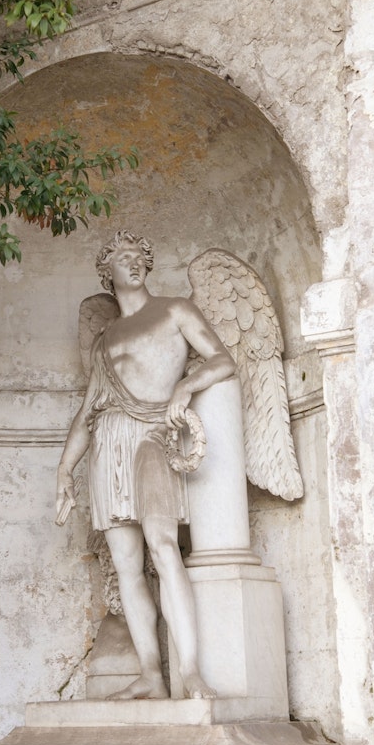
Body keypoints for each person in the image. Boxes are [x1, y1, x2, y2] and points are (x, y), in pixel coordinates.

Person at [56, 230, 236, 699]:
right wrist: (64, 471)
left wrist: (185, 386)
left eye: (140, 256)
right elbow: (87, 411)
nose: (134, 263)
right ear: (107, 271)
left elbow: (223, 360)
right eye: (123, 257)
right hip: (108, 440)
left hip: (153, 434)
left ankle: (191, 670)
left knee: (163, 545)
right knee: (125, 563)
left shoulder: (175, 310)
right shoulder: (104, 338)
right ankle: (153, 676)